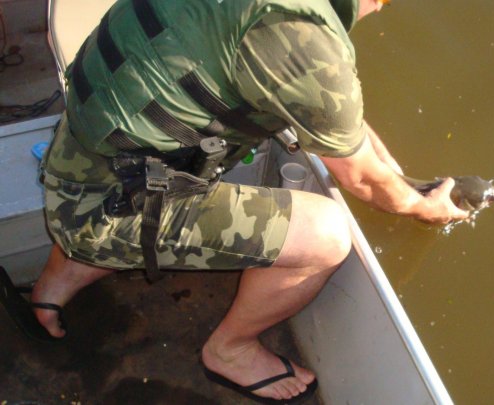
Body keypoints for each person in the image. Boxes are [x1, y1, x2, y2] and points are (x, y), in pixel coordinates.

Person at [2, 0, 468, 403]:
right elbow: (363, 179)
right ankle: (231, 350)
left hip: (76, 164)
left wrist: (399, 177)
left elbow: (343, 128)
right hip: (105, 207)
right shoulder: (304, 41)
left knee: (135, 164)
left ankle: (51, 289)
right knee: (326, 236)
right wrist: (426, 207)